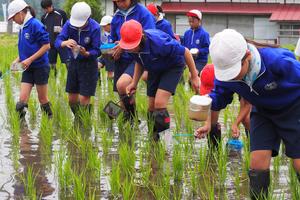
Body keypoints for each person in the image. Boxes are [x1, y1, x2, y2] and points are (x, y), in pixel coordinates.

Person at [195, 29, 300, 199]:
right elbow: (220, 97)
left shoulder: (277, 62)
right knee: (257, 164)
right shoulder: (227, 77)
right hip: (263, 111)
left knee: (298, 163)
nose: (232, 77)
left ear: (247, 57)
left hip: (294, 108)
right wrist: (205, 103)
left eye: (234, 71)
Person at [122, 20, 199, 141]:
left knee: (159, 103)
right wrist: (134, 83)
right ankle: (153, 138)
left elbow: (186, 52)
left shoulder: (159, 43)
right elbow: (139, 61)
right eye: (129, 46)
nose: (131, 49)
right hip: (155, 67)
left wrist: (194, 76)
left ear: (141, 37)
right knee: (151, 105)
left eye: (133, 45)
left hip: (173, 66)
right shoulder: (131, 48)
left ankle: (164, 139)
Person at [111, 0, 155, 123]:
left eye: (123, 1)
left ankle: (133, 118)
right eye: (117, 1)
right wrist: (112, 48)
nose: (120, 4)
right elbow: (114, 38)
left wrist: (124, 45)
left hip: (136, 58)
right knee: (123, 91)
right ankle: (128, 120)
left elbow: (149, 36)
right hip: (121, 58)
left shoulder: (143, 13)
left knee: (122, 84)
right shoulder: (117, 16)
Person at [55, 2, 101, 121]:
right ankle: (80, 120)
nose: (78, 26)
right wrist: (64, 43)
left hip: (89, 65)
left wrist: (86, 53)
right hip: (74, 64)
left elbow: (97, 50)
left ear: (88, 18)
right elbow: (57, 41)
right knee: (72, 100)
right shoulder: (69, 24)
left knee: (84, 99)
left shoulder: (95, 27)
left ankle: (83, 125)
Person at [8, 0, 52, 119]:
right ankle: (22, 132)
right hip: (27, 68)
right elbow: (26, 49)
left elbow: (46, 46)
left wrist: (30, 60)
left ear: (20, 13)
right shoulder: (22, 27)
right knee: (21, 103)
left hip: (40, 67)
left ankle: (49, 123)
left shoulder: (35, 24)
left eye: (13, 17)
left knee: (42, 99)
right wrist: (17, 60)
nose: (13, 20)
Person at [199, 64, 251, 148]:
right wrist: (207, 124)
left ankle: (254, 149)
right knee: (212, 122)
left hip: (238, 79)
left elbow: (246, 104)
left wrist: (236, 123)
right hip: (223, 78)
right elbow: (207, 103)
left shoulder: (239, 76)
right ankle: (214, 152)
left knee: (246, 119)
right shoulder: (206, 73)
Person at [41, 0, 69, 77]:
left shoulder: (61, 13)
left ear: (51, 6)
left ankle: (71, 79)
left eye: (47, 8)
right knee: (51, 65)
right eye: (44, 9)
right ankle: (54, 80)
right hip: (51, 45)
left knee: (68, 62)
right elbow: (43, 31)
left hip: (62, 43)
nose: (46, 10)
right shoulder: (44, 17)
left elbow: (67, 26)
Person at [182, 9, 210, 74]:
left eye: (193, 21)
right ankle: (183, 82)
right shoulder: (187, 33)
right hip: (189, 59)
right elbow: (183, 46)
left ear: (199, 21)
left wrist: (198, 51)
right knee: (176, 67)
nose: (191, 24)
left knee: (193, 75)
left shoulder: (204, 34)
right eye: (189, 22)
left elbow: (207, 49)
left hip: (200, 61)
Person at [98, 15, 115, 80]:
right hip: (104, 55)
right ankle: (98, 84)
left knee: (110, 75)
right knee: (96, 66)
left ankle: (110, 88)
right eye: (103, 26)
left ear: (110, 25)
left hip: (111, 56)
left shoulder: (115, 34)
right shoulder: (102, 35)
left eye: (105, 26)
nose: (104, 28)